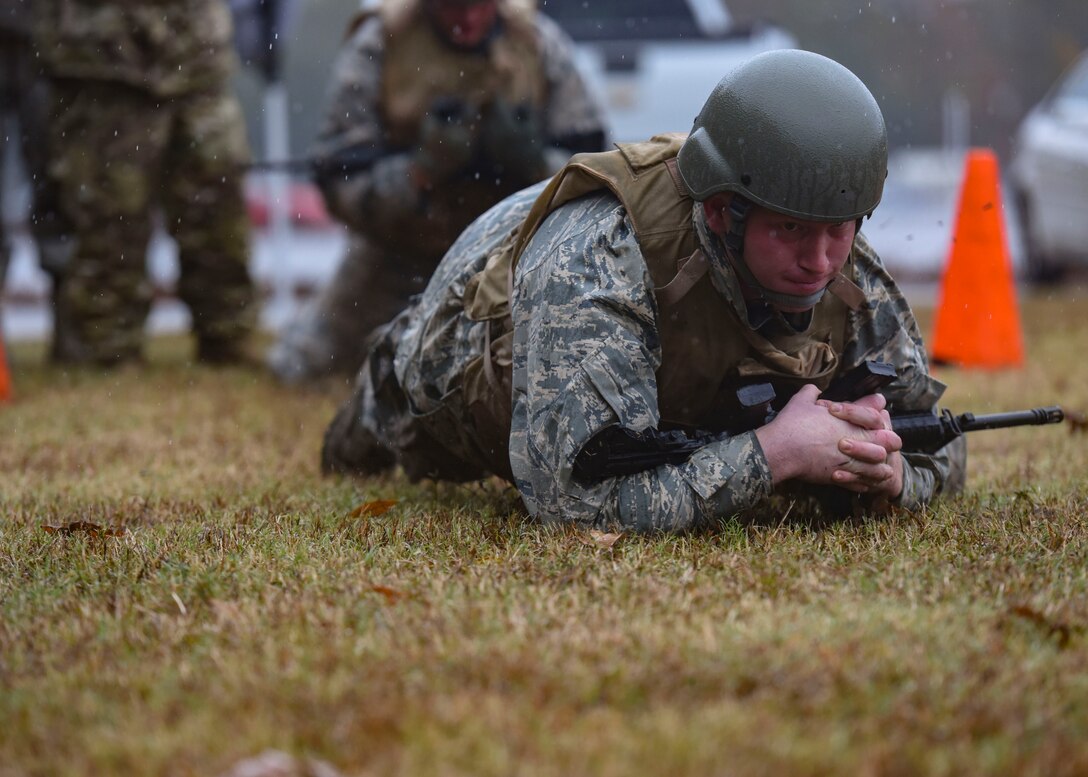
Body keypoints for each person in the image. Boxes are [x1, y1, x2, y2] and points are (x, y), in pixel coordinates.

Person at [320, 49, 966, 532]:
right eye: (792, 230)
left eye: (840, 231)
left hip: (662, 386)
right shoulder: (597, 270)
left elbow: (942, 438)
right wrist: (776, 453)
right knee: (385, 415)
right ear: (721, 212)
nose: (821, 259)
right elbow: (574, 507)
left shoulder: (847, 268)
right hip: (461, 349)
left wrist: (893, 476)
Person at [266, 0, 608, 383]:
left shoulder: (536, 42)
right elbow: (338, 180)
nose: (467, 18)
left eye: (480, 7)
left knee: (565, 367)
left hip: (515, 258)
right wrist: (418, 172)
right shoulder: (382, 42)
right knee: (301, 369)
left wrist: (535, 164)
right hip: (400, 255)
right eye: (451, 8)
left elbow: (594, 176)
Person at [36, 0, 257, 366]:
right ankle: (104, 353)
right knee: (109, 217)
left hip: (196, 54)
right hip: (103, 58)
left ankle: (228, 338)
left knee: (217, 206)